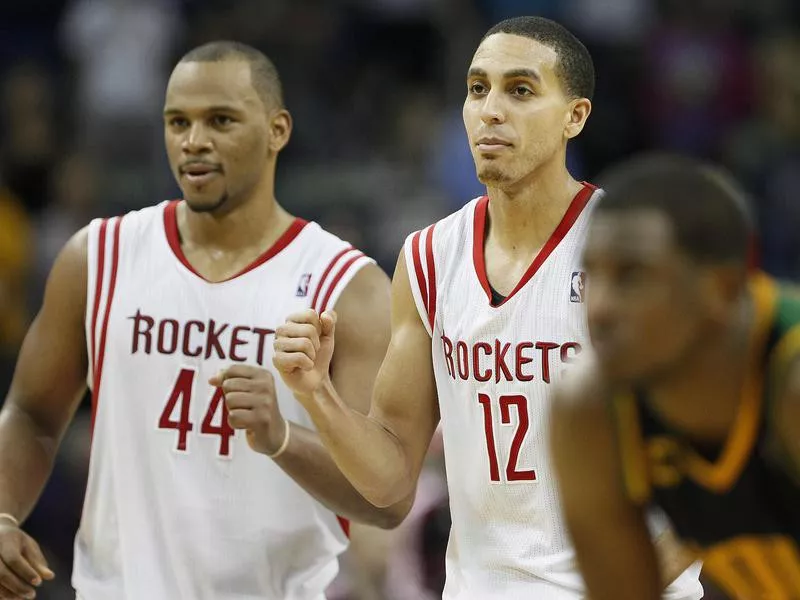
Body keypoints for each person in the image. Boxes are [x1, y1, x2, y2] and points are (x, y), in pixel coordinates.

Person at [272, 16, 702, 599]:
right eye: (478, 89)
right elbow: (390, 478)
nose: (490, 110)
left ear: (576, 116)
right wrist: (316, 393)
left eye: (520, 90)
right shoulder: (426, 257)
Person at [0, 41, 410, 600]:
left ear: (278, 130)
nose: (194, 141)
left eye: (220, 121)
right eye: (178, 122)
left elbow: (388, 502)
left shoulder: (349, 288)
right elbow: (31, 414)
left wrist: (284, 436)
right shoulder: (97, 258)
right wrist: (2, 514)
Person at [550, 154, 800, 600]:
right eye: (594, 274)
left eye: (632, 276)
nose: (600, 307)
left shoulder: (790, 385)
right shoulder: (588, 410)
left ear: (720, 290)